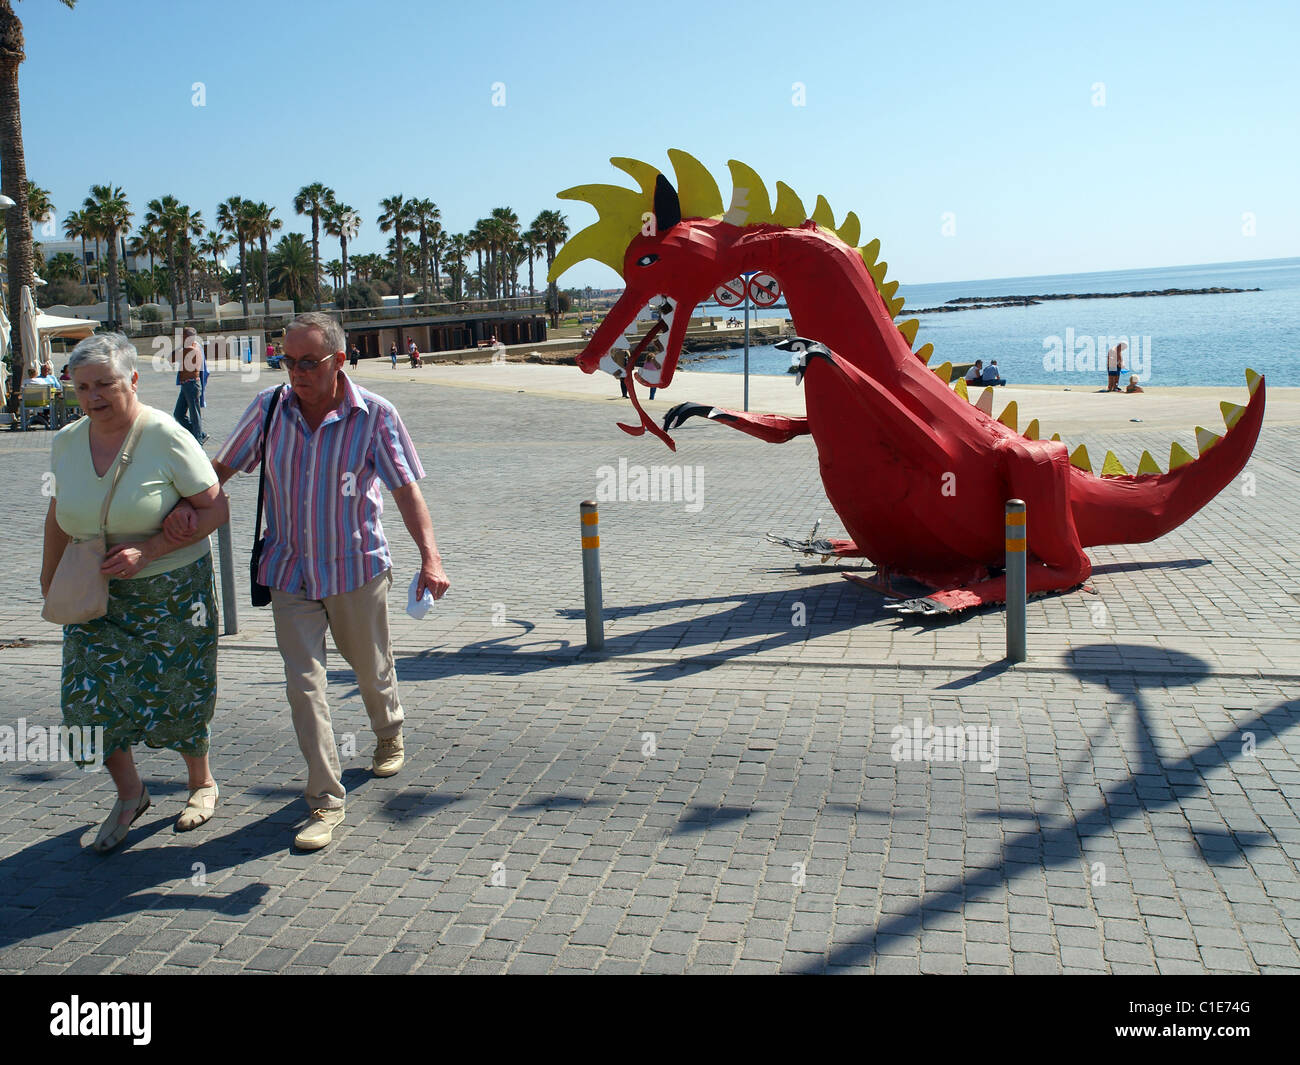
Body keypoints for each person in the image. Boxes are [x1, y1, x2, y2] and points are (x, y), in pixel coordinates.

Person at [171, 312, 450, 851]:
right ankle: (325, 799)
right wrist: (182, 505)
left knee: (370, 667)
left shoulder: (376, 416)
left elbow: (406, 492)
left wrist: (430, 559)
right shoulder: (271, 408)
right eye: (286, 361)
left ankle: (388, 729)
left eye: (308, 362)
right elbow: (221, 468)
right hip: (290, 572)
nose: (295, 372)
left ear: (339, 361)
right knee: (304, 685)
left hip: (355, 568)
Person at [41, 333, 229, 853]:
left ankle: (201, 783)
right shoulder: (67, 441)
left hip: (170, 591)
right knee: (84, 700)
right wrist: (49, 575)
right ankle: (130, 793)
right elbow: (57, 514)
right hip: (94, 591)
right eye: (81, 387)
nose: (93, 396)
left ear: (133, 381)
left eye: (105, 384)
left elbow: (216, 509)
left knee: (179, 691)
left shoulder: (166, 435)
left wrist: (147, 551)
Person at [171, 326, 206, 443]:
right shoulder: (192, 348)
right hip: (186, 386)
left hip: (191, 385)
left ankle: (199, 440)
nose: (180, 338)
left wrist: (182, 346)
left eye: (182, 336)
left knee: (194, 415)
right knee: (178, 414)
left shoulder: (190, 349)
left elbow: (171, 358)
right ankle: (199, 434)